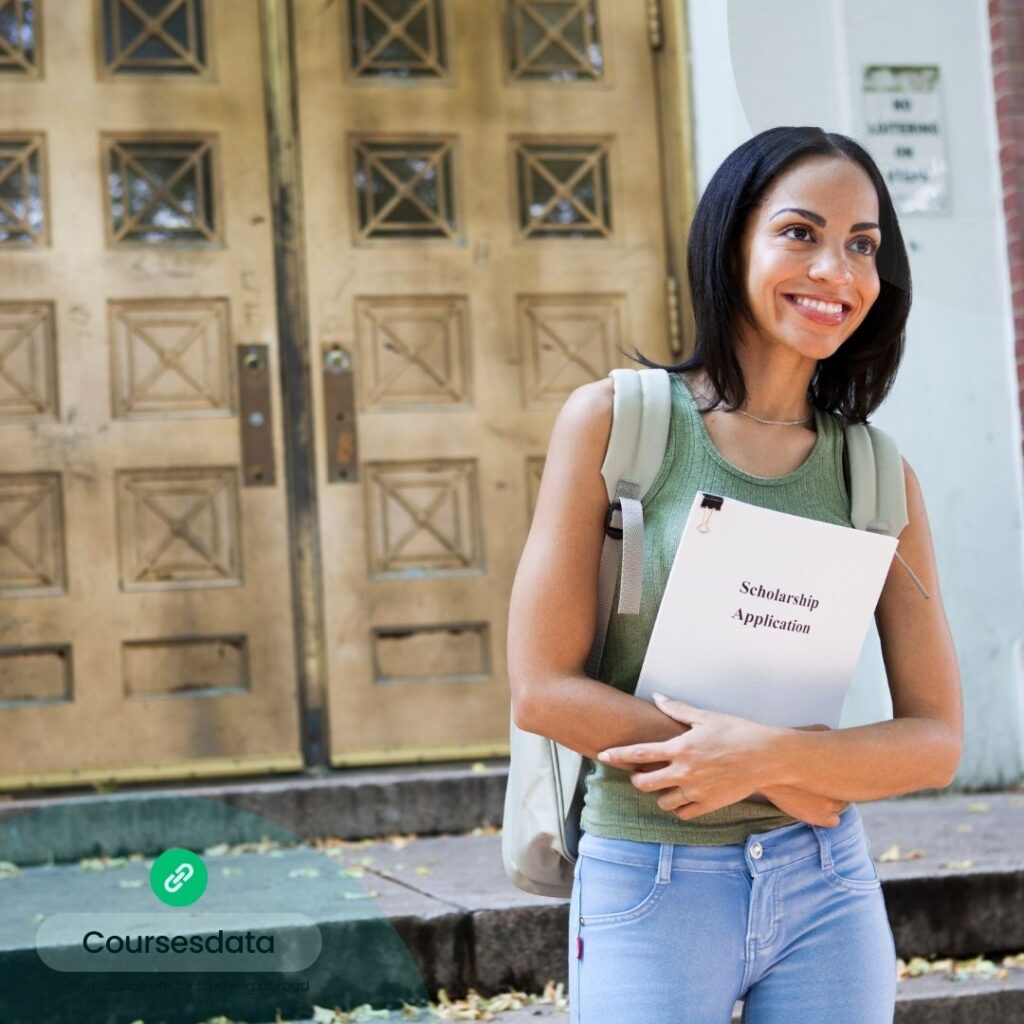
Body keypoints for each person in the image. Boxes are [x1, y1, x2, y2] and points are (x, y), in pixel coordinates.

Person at [505, 126, 963, 1024]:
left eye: (862, 245)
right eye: (801, 232)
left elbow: (937, 737)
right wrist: (785, 777)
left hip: (827, 885)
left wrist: (769, 760)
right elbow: (543, 690)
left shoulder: (875, 473)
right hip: (649, 880)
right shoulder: (616, 423)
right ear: (731, 243)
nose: (837, 269)